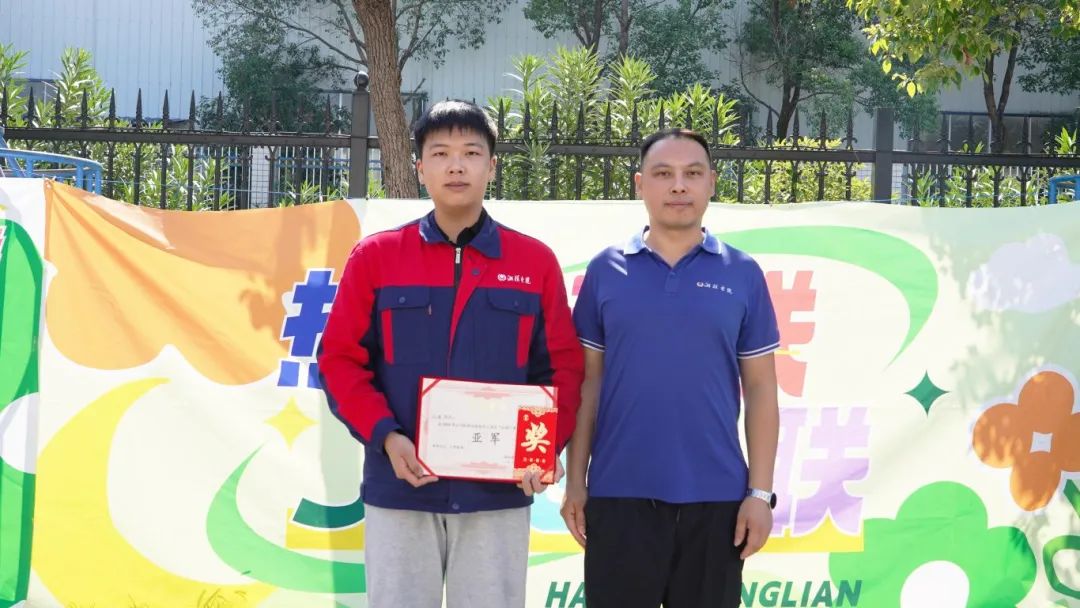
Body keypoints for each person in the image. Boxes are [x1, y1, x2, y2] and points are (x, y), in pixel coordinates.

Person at [318, 100, 584, 608]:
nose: (456, 166)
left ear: (492, 166)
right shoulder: (378, 257)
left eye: (471, 153)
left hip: (497, 494)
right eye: (440, 153)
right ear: (420, 168)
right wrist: (386, 436)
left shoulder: (533, 262)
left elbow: (562, 368)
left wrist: (540, 449)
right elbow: (339, 360)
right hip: (401, 487)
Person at [560, 128, 780, 608]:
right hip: (618, 494)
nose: (678, 185)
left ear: (712, 183)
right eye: (663, 174)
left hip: (718, 500)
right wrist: (576, 481)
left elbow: (762, 388)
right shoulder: (605, 270)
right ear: (640, 184)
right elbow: (588, 384)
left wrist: (760, 494)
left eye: (692, 173)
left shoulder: (742, 273)